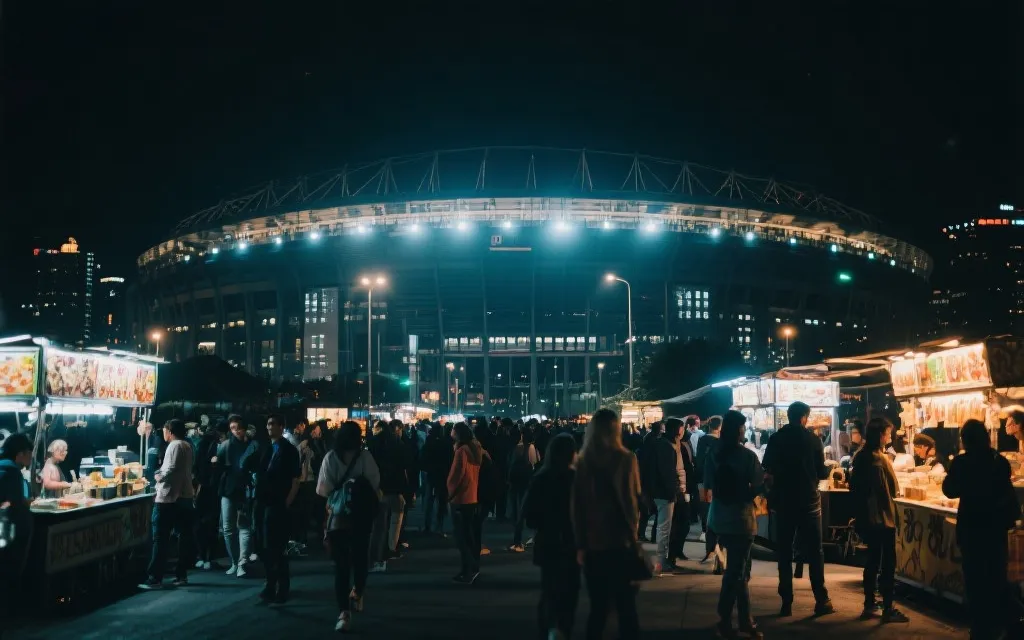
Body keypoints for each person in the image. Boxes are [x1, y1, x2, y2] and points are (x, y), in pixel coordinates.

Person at [943, 418, 1020, 639]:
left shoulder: (962, 463)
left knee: (975, 580)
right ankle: (998, 624)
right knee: (995, 576)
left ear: (966, 441)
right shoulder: (1000, 461)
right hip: (995, 529)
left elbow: (949, 490)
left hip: (971, 530)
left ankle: (980, 627)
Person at [572, 409, 641, 640]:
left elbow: (577, 508)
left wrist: (580, 544)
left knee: (598, 608)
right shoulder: (626, 459)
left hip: (593, 543)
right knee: (626, 608)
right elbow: (631, 503)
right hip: (620, 541)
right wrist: (633, 536)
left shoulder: (582, 462)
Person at [762, 401, 834, 616]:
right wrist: (828, 469)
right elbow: (821, 473)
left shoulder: (776, 439)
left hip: (784, 503)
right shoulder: (813, 440)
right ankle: (821, 599)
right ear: (804, 417)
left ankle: (786, 602)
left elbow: (768, 468)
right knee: (815, 551)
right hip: (809, 503)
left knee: (783, 552)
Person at [705, 410, 764, 639]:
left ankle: (744, 620)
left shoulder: (713, 453)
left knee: (739, 571)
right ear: (739, 430)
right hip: (741, 519)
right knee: (737, 572)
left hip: (718, 517)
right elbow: (758, 486)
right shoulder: (747, 457)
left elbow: (708, 483)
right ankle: (726, 620)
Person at [317, 420, 381, 633]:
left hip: (338, 518)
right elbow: (374, 482)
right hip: (362, 516)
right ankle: (358, 591)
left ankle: (344, 612)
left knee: (341, 566)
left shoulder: (330, 458)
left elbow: (323, 490)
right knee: (361, 556)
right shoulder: (365, 457)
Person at [849, 417, 909, 623]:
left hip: (867, 518)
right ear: (881, 436)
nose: (890, 437)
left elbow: (855, 489)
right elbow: (891, 489)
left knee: (872, 561)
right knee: (888, 563)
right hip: (883, 518)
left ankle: (869, 604)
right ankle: (888, 607)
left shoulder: (859, 457)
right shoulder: (879, 459)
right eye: (888, 433)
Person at [524, 433, 580, 640]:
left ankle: (547, 631)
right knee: (570, 593)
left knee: (549, 592)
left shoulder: (541, 478)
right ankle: (564, 630)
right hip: (571, 543)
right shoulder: (576, 480)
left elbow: (530, 517)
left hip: (548, 543)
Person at [139, 419, 196, 590]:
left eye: (164, 430)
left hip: (169, 498)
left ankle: (155, 577)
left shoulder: (174, 446)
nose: (163, 433)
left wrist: (158, 476)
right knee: (182, 537)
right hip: (185, 496)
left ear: (169, 431)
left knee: (160, 538)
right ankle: (181, 574)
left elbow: (169, 469)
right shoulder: (187, 445)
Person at [255, 414, 302, 604]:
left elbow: (295, 479)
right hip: (263, 502)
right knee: (265, 546)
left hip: (278, 503)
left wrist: (286, 502)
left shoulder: (289, 450)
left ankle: (282, 587)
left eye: (273, 424)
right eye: (267, 424)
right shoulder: (266, 448)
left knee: (278, 547)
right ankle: (270, 583)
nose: (269, 427)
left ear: (282, 426)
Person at [0, 433, 34, 635]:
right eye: (29, 453)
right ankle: (10, 617)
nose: (30, 458)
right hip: (9, 533)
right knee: (9, 573)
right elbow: (13, 504)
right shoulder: (11, 470)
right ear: (20, 453)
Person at [216, 415, 257, 577]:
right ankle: (235, 561)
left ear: (244, 428)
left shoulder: (252, 445)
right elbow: (218, 467)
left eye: (238, 428)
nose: (236, 431)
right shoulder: (225, 446)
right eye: (233, 428)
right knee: (228, 528)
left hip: (245, 489)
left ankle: (242, 561)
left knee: (244, 526)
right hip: (228, 489)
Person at [369, 419, 412, 567]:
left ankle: (377, 554)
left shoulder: (373, 443)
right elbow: (405, 467)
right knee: (396, 518)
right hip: (396, 486)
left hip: (378, 487)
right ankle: (391, 547)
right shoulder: (397, 443)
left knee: (379, 523)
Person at [447, 421, 484, 584]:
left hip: (460, 497)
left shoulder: (461, 451)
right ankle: (472, 568)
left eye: (453, 430)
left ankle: (466, 571)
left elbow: (456, 476)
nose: (451, 432)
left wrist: (449, 493)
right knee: (469, 536)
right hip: (472, 496)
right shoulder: (476, 449)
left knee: (461, 538)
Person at [193, 422, 227, 570]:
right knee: (212, 524)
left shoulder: (200, 445)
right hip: (214, 489)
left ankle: (201, 556)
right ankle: (209, 557)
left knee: (200, 524)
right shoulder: (218, 446)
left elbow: (195, 468)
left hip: (202, 488)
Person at [507, 426, 539, 553]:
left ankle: (517, 541)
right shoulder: (530, 447)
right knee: (523, 510)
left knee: (516, 512)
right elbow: (534, 463)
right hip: (526, 482)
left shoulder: (516, 448)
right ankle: (521, 540)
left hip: (515, 482)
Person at [695, 416, 722, 562]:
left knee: (706, 512)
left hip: (702, 482)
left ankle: (708, 545)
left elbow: (698, 461)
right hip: (715, 485)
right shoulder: (718, 443)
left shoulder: (702, 440)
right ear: (719, 427)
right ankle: (715, 550)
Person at [422, 422, 454, 535]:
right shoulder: (446, 443)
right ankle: (439, 526)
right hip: (442, 475)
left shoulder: (428, 442)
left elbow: (423, 459)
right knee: (441, 502)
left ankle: (427, 525)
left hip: (431, 475)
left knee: (429, 501)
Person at [636, 421, 664, 542]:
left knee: (646, 510)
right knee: (649, 509)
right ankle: (647, 534)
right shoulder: (654, 443)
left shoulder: (647, 440)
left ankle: (642, 533)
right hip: (649, 482)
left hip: (645, 481)